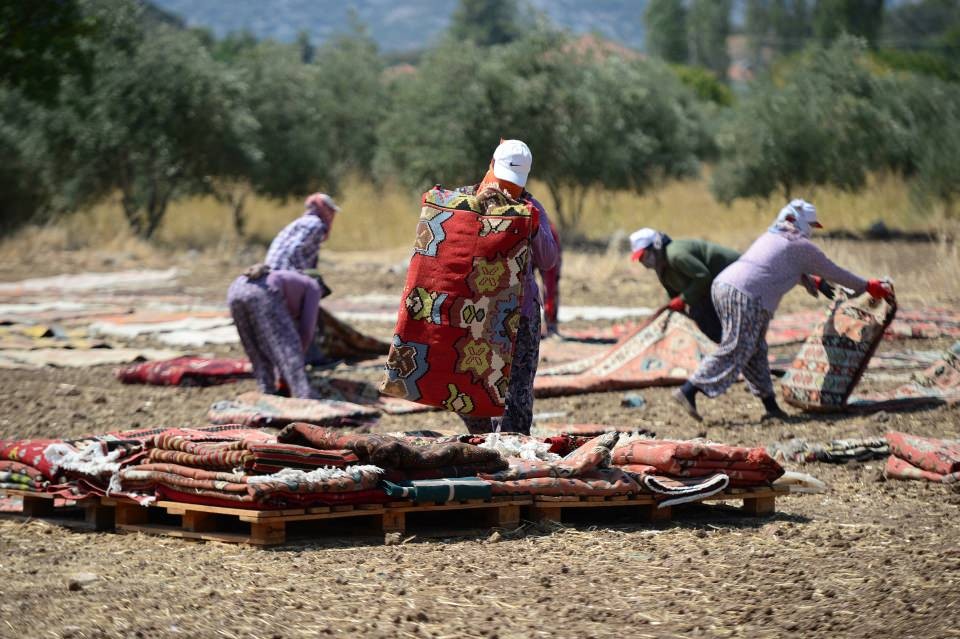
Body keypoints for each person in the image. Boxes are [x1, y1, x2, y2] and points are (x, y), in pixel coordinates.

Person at [672, 199, 894, 422]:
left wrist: (815, 283)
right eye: (811, 226)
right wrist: (867, 286)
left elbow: (777, 268)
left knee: (755, 350)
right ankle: (689, 389)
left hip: (726, 286)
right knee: (737, 347)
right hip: (747, 295)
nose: (811, 231)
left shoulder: (772, 237)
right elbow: (833, 271)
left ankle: (771, 408)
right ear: (800, 222)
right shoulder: (798, 244)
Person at [459, 139, 560, 435]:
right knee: (470, 387)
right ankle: (486, 444)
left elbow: (549, 259)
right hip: (475, 313)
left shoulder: (531, 208)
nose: (507, 190)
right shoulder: (465, 203)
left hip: (520, 314)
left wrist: (533, 225)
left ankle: (512, 458)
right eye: (504, 181)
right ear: (491, 166)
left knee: (515, 396)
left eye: (513, 184)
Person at [628, 228, 741, 343]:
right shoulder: (663, 269)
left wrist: (683, 299)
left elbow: (703, 276)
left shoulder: (676, 255)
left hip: (736, 277)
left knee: (706, 317)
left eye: (644, 256)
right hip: (715, 287)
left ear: (656, 247)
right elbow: (674, 295)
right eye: (640, 259)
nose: (643, 261)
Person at [227, 264, 322, 399]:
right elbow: (306, 330)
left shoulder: (288, 278)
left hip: (235, 290)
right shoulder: (313, 286)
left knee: (254, 345)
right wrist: (298, 354)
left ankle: (267, 389)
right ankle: (304, 394)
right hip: (263, 292)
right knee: (289, 346)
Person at [265, 193, 339, 272]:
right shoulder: (315, 224)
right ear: (324, 210)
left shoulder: (302, 221)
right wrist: (307, 273)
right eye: (330, 211)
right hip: (283, 272)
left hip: (272, 270)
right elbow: (296, 249)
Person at [540, 218, 562, 335]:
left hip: (549, 249)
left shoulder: (549, 237)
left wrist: (549, 305)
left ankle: (551, 324)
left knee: (551, 289)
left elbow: (551, 278)